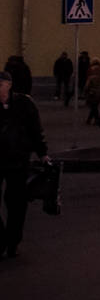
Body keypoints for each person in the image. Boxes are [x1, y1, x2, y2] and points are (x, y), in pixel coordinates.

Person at [0, 68, 49, 259]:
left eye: (0, 85)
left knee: (16, 203)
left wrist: (42, 153)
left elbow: (35, 129)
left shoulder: (24, 103)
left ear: (9, 85)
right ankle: (1, 239)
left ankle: (13, 242)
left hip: (18, 160)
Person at [83, 59, 100, 126]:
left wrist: (85, 93)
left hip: (92, 93)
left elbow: (86, 87)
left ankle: (97, 120)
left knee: (93, 107)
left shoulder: (91, 77)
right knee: (95, 106)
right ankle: (89, 120)